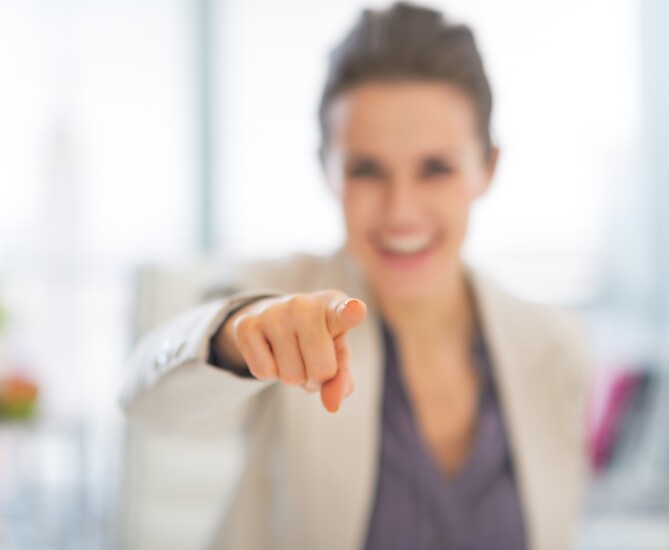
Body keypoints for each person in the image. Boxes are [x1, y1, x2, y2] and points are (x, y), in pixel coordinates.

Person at [121, 3, 591, 549]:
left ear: (488, 166)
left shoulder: (553, 344)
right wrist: (238, 337)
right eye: (365, 170)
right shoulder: (280, 298)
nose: (400, 211)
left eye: (435, 168)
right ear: (327, 168)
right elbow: (149, 402)